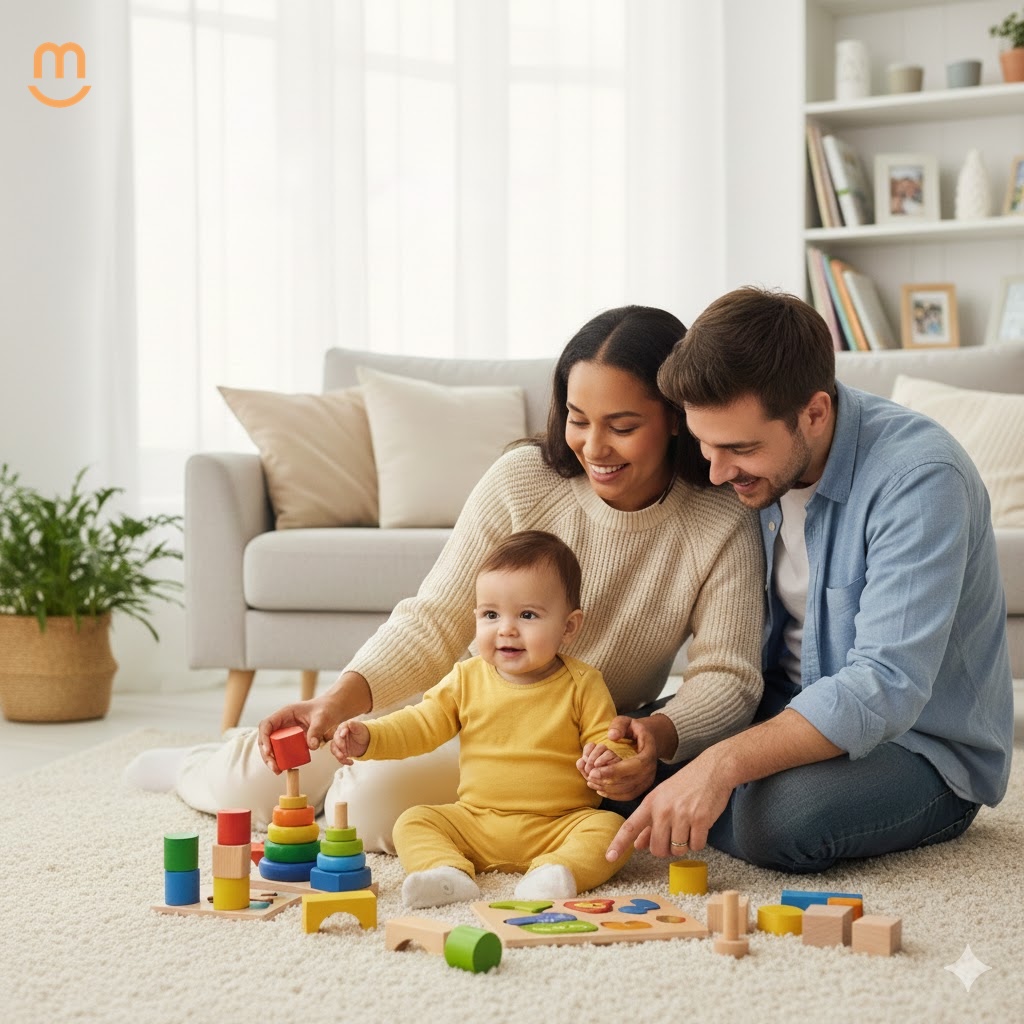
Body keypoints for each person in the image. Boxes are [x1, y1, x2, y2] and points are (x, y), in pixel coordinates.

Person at [130, 304, 764, 846]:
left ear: (676, 418)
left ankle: (327, 793)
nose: (593, 447)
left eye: (622, 427)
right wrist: (340, 699)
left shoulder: (720, 520)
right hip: (452, 705)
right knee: (254, 783)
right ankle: (203, 764)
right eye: (577, 419)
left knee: (375, 815)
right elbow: (436, 617)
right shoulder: (524, 479)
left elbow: (728, 675)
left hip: (550, 749)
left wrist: (659, 732)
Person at [598, 286, 1014, 873]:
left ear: (814, 412)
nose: (715, 473)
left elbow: (885, 684)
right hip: (782, 705)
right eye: (703, 445)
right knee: (616, 758)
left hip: (918, 745)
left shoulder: (920, 479)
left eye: (739, 448)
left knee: (781, 822)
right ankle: (693, 794)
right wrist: (671, 739)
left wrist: (718, 766)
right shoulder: (751, 468)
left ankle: (718, 801)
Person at [331, 530, 635, 907]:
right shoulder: (466, 678)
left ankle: (556, 873)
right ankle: (447, 873)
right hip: (476, 822)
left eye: (527, 615)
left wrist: (608, 757)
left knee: (611, 830)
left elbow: (608, 738)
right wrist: (370, 736)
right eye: (491, 614)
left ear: (568, 627)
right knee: (413, 821)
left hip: (561, 824)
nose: (506, 629)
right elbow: (420, 725)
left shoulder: (582, 683)